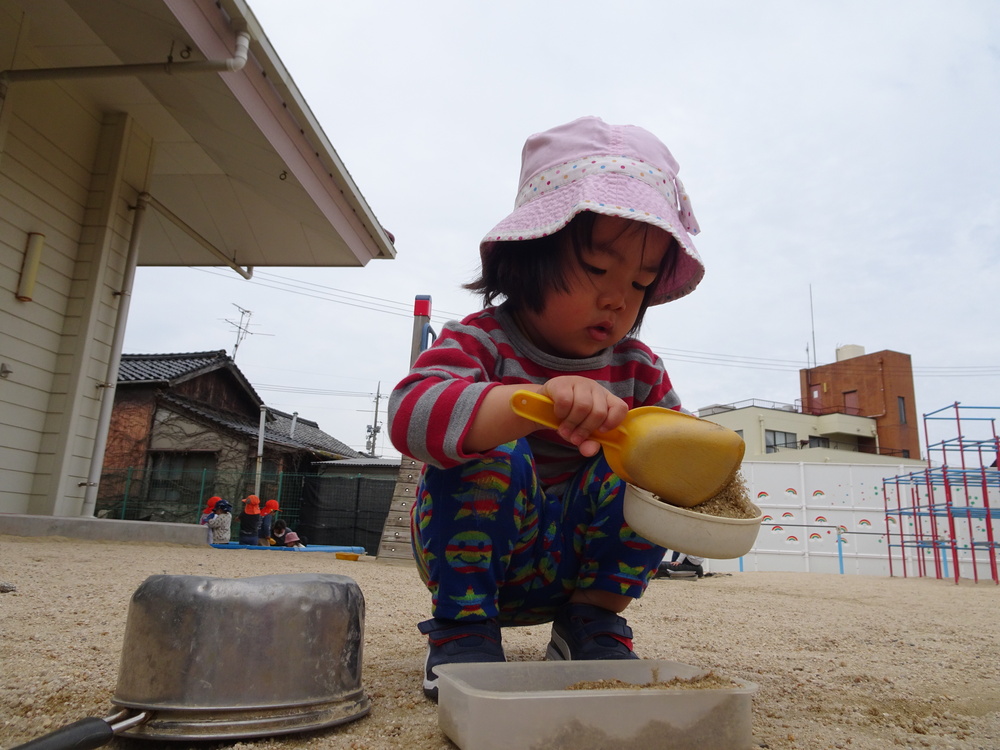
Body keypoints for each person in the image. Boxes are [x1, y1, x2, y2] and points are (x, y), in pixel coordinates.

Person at [387, 116, 706, 701]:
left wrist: (705, 482)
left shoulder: (637, 368)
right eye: (597, 269)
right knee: (495, 453)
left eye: (639, 283)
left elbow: (680, 457)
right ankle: (463, 629)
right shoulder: (481, 341)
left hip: (582, 570)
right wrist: (527, 405)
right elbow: (412, 416)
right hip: (476, 561)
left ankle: (592, 621)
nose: (617, 297)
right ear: (527, 254)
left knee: (648, 460)